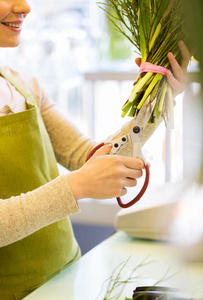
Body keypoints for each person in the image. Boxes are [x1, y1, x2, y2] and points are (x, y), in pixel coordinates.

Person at [0, 0, 191, 299]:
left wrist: (155, 99)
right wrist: (74, 187)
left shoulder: (25, 85)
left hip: (65, 277)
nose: (24, 6)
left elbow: (89, 156)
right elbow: (83, 175)